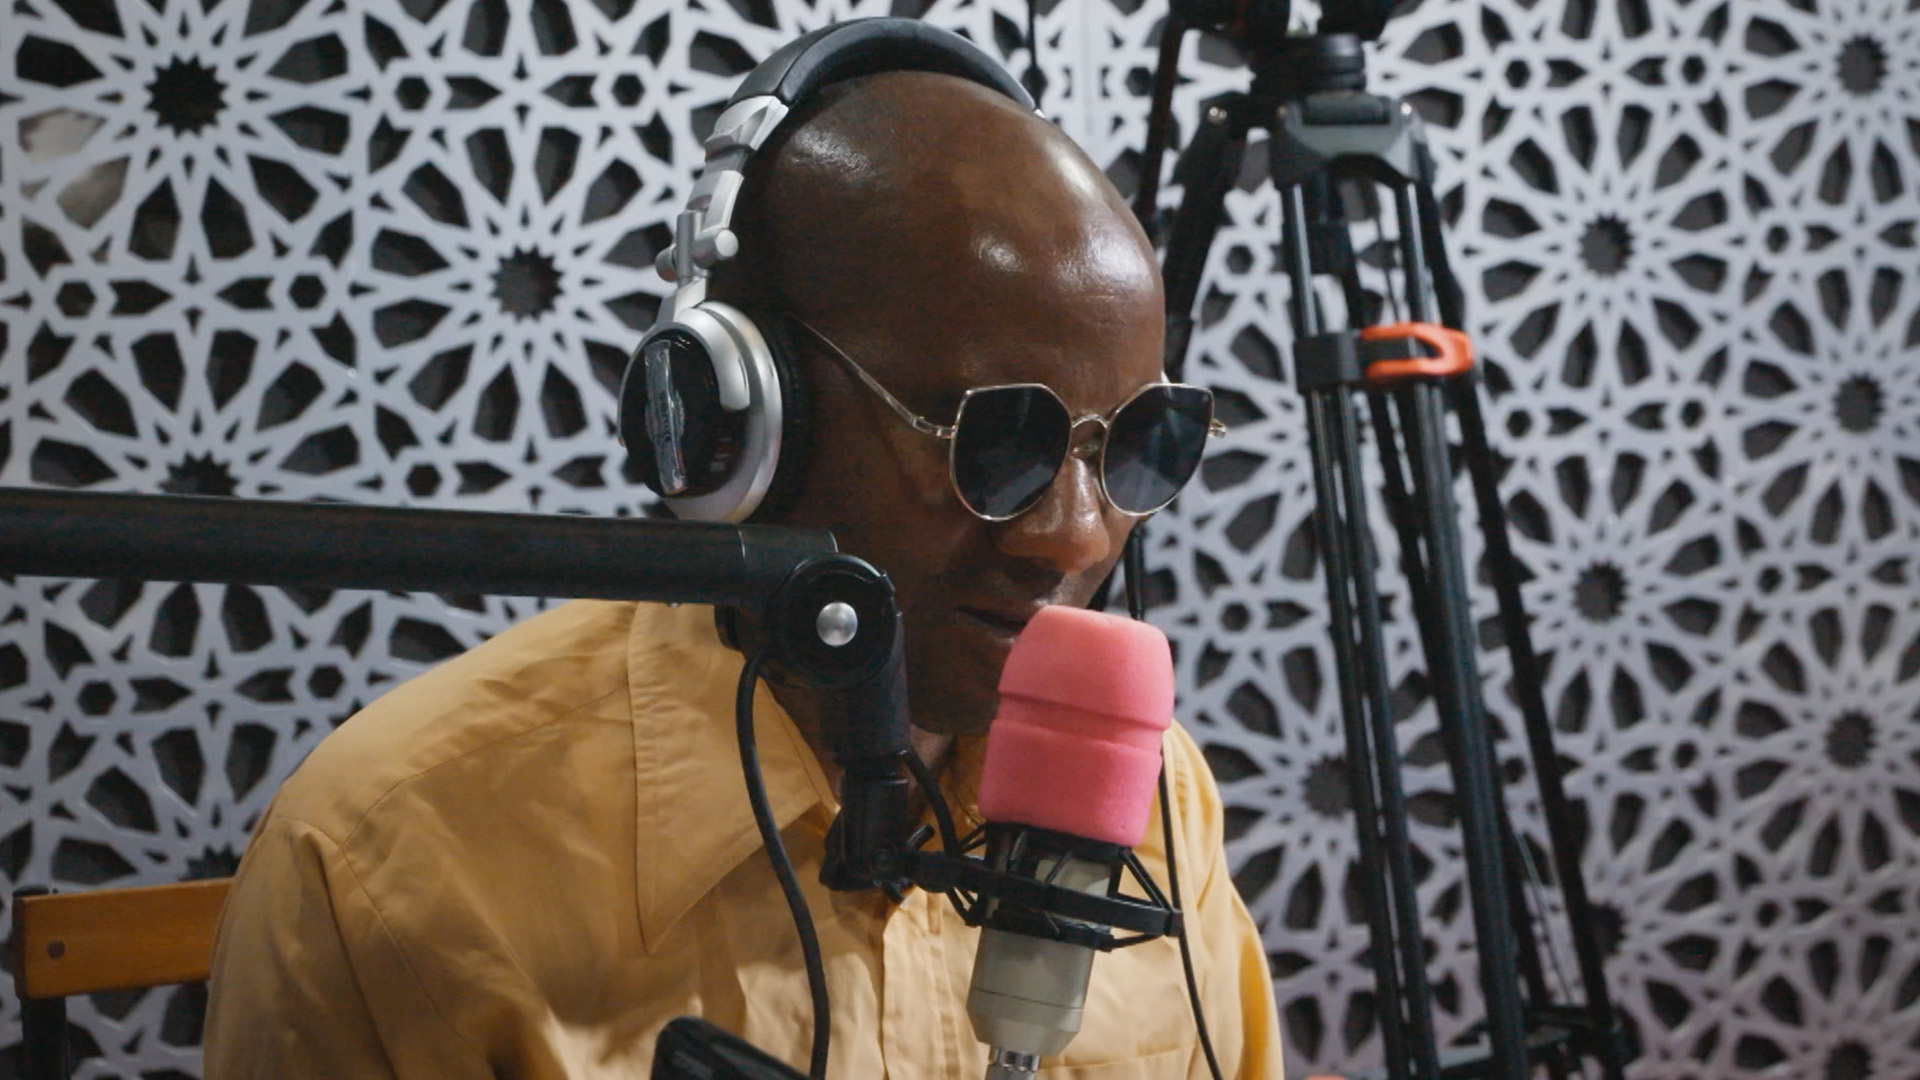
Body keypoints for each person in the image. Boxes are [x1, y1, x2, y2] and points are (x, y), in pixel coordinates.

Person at [204, 26, 1284, 1080]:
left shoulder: (1152, 793)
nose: (1078, 535)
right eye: (999, 442)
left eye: (1140, 445)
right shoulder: (390, 856)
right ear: (747, 424)